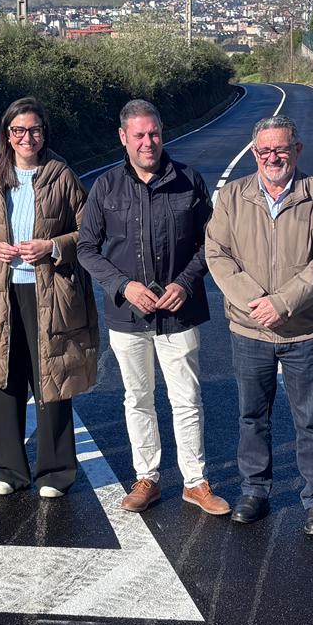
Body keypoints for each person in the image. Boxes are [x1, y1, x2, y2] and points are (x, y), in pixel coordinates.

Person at [77, 100, 228, 516]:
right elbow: (88, 249)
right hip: (128, 316)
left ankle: (195, 483)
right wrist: (123, 285)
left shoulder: (189, 182)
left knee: (187, 399)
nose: (149, 142)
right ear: (123, 138)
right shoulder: (105, 187)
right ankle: (147, 478)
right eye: (139, 135)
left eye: (154, 133)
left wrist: (185, 282)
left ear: (163, 133)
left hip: (180, 312)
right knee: (138, 399)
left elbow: (212, 244)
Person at [205, 114, 313, 535]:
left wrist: (282, 303)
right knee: (252, 416)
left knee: (311, 420)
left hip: (303, 330)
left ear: (297, 150)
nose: (273, 157)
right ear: (254, 153)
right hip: (249, 331)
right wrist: (255, 303)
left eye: (281, 149)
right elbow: (217, 254)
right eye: (264, 150)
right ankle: (255, 490)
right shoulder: (231, 197)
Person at [0, 98, 99, 497]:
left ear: (45, 133)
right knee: (3, 378)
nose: (28, 137)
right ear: (7, 134)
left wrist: (53, 247)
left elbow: (88, 231)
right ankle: (7, 470)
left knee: (52, 377)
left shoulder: (61, 175)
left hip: (52, 292)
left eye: (35, 129)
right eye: (19, 130)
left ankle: (56, 472)